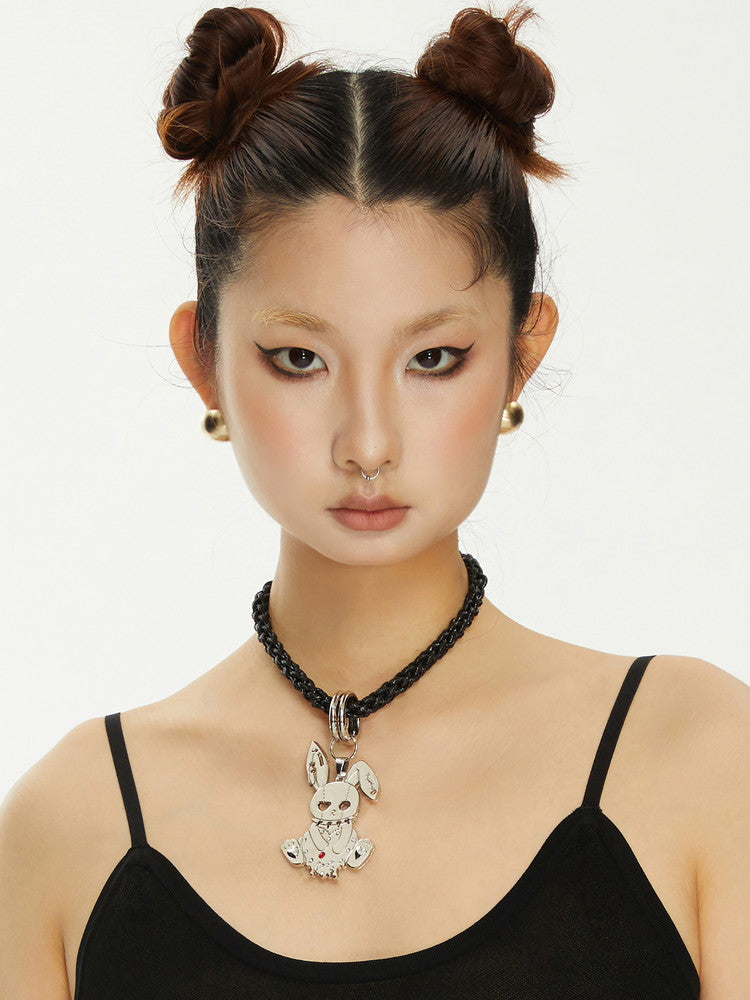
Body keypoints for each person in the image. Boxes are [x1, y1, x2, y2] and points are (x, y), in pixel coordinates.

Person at [1, 3, 748, 997]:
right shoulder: (74, 823)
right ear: (203, 360)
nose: (368, 443)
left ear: (523, 350)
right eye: (298, 358)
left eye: (433, 359)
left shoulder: (698, 757)